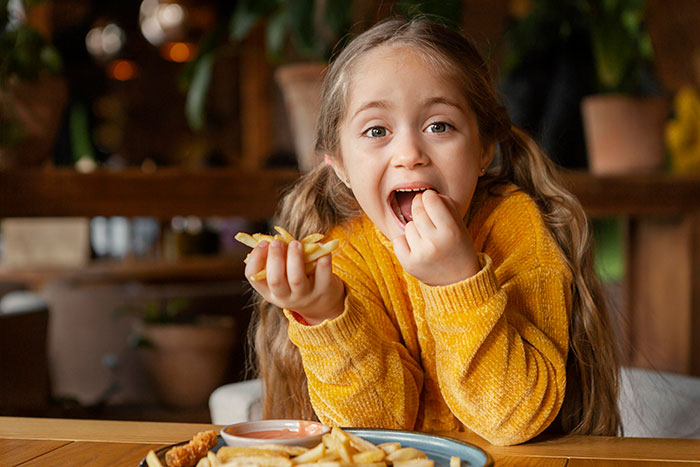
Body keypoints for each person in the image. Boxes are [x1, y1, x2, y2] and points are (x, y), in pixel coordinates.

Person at [244, 17, 621, 446]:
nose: (409, 154)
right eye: (376, 130)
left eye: (438, 126)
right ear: (342, 167)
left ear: (483, 150)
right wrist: (326, 313)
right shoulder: (342, 252)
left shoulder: (515, 226)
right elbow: (375, 431)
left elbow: (516, 419)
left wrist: (457, 281)